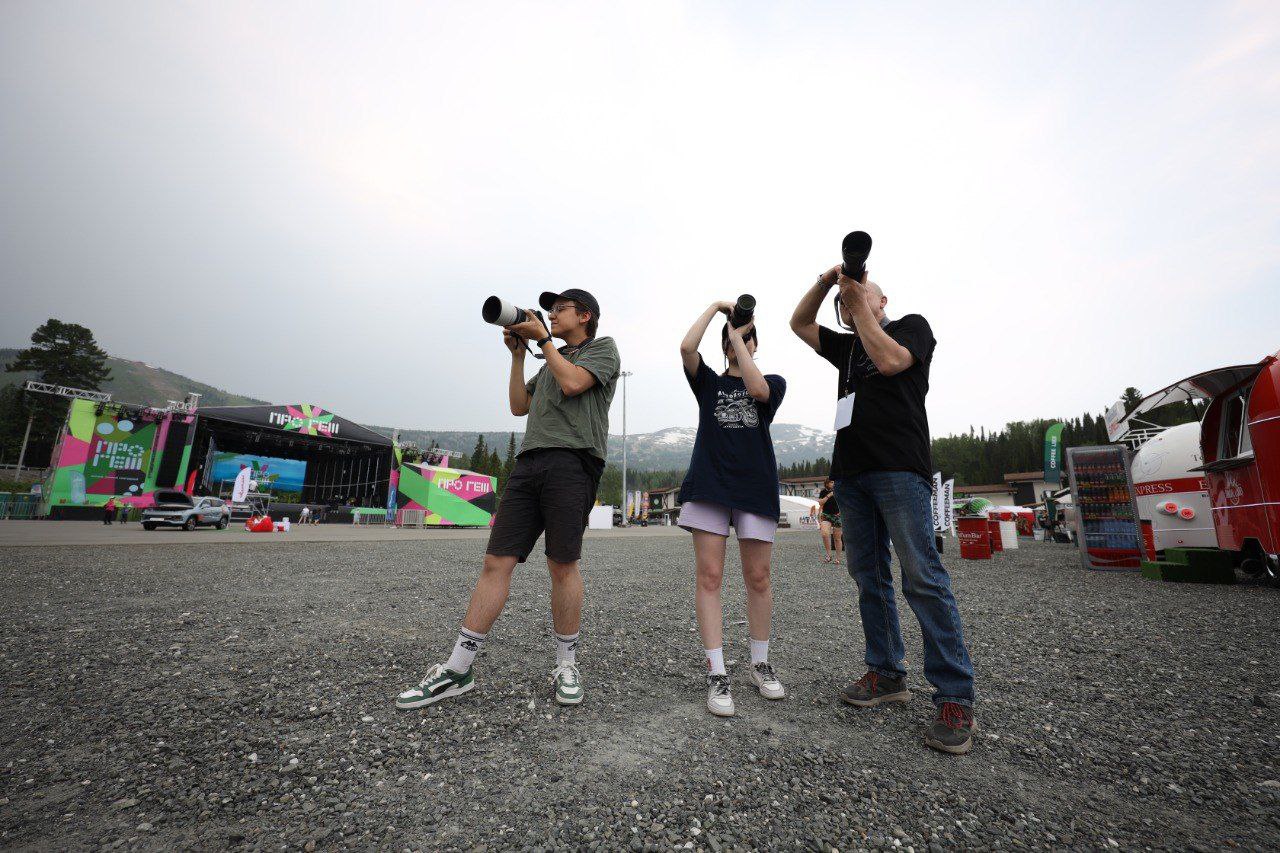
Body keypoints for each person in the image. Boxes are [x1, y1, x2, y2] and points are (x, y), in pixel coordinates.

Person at [396, 289, 620, 710]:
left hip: (574, 462)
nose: (552, 314)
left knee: (562, 563)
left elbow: (574, 383)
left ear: (585, 316)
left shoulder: (602, 349)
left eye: (560, 309)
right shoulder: (549, 360)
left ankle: (566, 664)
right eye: (549, 310)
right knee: (495, 561)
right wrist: (518, 356)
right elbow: (519, 406)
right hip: (530, 462)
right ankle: (458, 668)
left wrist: (543, 341)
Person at [791, 263, 977, 755]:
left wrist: (856, 305)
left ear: (882, 301)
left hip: (899, 469)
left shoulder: (911, 326)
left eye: (860, 294)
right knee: (869, 576)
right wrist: (826, 283)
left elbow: (893, 362)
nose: (849, 301)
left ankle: (954, 696)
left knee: (922, 576)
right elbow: (800, 324)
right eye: (844, 301)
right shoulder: (846, 347)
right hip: (851, 475)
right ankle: (887, 672)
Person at [677, 301, 787, 717]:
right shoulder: (708, 383)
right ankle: (717, 672)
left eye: (746, 337)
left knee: (758, 578)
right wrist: (716, 309)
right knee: (710, 577)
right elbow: (686, 348)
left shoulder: (773, 382)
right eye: (730, 339)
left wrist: (739, 337)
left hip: (755, 489)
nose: (737, 341)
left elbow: (757, 392)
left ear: (755, 343)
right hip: (710, 487)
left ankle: (760, 664)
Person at [816, 478, 843, 564]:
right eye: (831, 482)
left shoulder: (839, 491)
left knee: (837, 538)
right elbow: (820, 503)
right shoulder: (823, 492)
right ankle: (829, 555)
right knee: (824, 534)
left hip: (837, 516)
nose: (833, 484)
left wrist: (841, 511)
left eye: (834, 482)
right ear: (827, 483)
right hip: (826, 515)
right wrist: (829, 495)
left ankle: (838, 558)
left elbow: (844, 502)